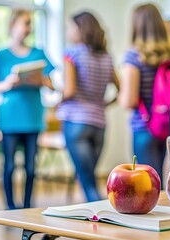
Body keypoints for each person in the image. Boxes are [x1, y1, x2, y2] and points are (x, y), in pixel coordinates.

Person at [0, 9, 55, 210]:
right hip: (9, 121)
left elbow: (52, 85)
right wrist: (5, 84)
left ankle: (27, 206)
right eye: (25, 23)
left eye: (30, 24)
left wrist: (40, 80)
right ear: (13, 25)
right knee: (9, 166)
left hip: (33, 120)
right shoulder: (1, 56)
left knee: (31, 169)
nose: (28, 28)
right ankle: (10, 208)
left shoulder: (38, 53)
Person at [56, 12, 119, 202]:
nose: (69, 32)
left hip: (76, 123)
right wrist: (104, 104)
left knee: (88, 183)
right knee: (89, 176)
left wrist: (56, 102)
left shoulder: (72, 53)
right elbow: (120, 88)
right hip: (99, 124)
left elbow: (69, 91)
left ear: (80, 29)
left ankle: (101, 221)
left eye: (71, 28)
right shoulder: (106, 57)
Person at [118, 3, 170, 182]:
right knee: (165, 179)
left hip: (144, 127)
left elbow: (129, 100)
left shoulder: (134, 56)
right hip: (169, 126)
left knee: (149, 182)